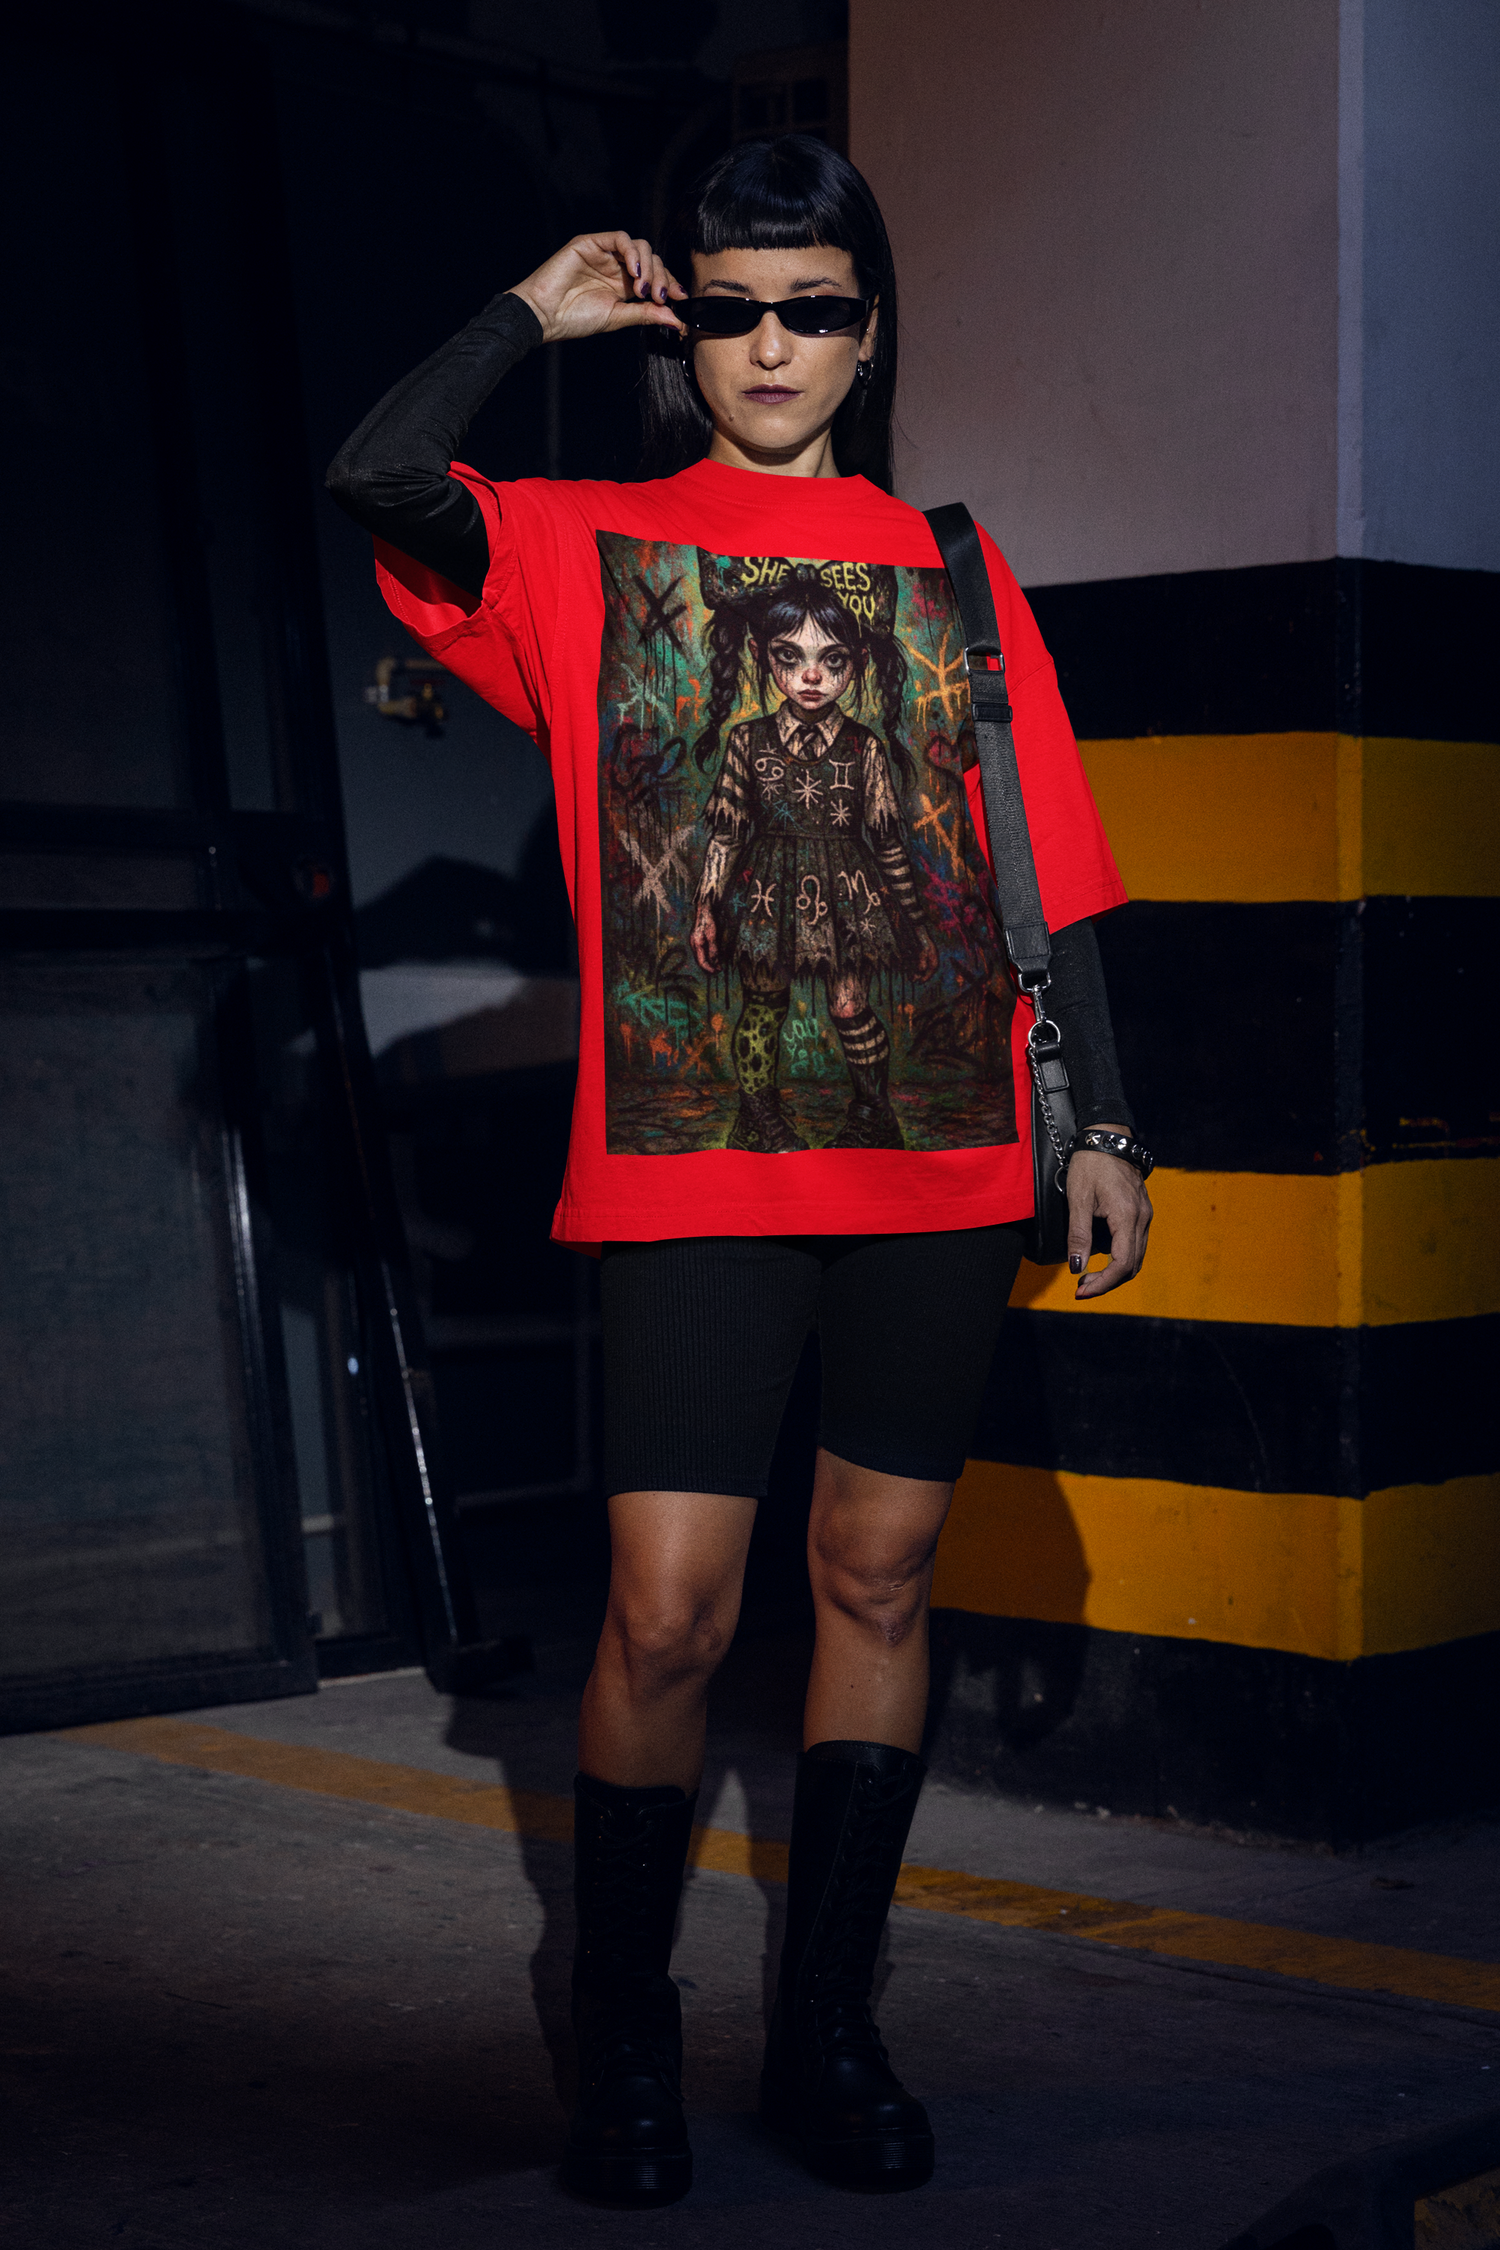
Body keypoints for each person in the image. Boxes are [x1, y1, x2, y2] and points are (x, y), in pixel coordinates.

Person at [328, 133, 1153, 2209]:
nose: (771, 345)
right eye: (731, 309)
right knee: (669, 1615)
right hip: (694, 1158)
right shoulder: (585, 546)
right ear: (682, 327)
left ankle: (829, 2029)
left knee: (875, 1578)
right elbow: (378, 474)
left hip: (942, 1152)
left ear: (871, 333)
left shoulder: (947, 562)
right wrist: (529, 312)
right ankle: (625, 2040)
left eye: (814, 308)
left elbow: (1038, 867)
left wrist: (1107, 1125)